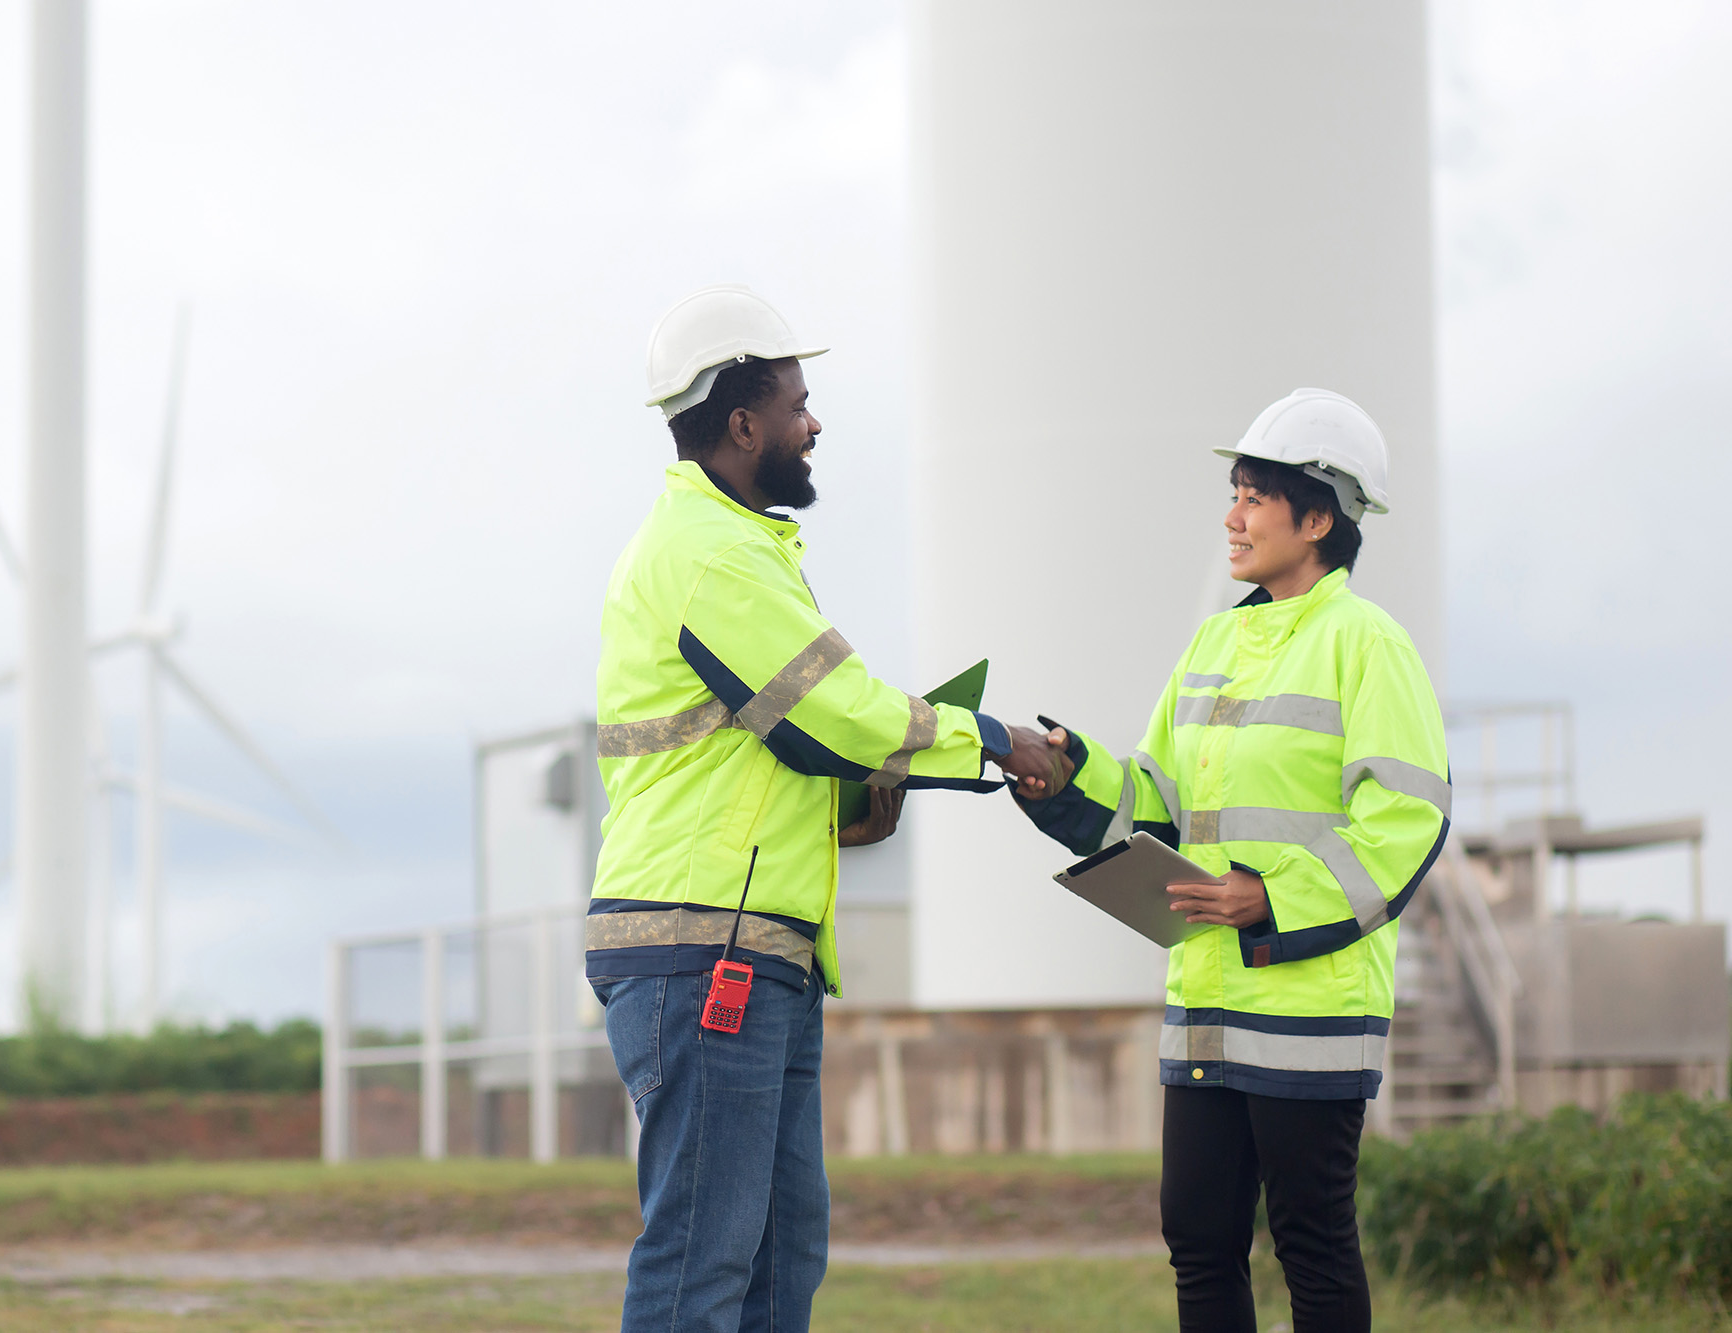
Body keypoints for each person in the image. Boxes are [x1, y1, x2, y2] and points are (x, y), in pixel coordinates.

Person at [590, 284, 1058, 1332]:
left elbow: (779, 746)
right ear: (742, 422)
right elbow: (829, 713)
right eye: (798, 401)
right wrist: (987, 739)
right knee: (701, 1258)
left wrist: (853, 803)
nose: (814, 421)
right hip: (700, 940)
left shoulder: (736, 550)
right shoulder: (713, 555)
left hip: (755, 943)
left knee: (777, 1253)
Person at [1007, 388, 1448, 1333]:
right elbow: (1159, 801)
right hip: (1203, 999)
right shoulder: (1216, 642)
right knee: (1198, 1240)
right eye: (1234, 491)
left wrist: (1270, 896)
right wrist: (1070, 778)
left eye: (1252, 495)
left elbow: (1407, 818)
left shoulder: (1368, 644)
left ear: (1318, 515)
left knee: (1311, 1241)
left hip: (1309, 1006)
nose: (1230, 516)